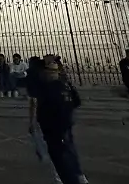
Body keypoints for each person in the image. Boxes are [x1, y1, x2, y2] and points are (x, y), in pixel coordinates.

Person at [28, 54, 86, 184]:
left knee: (60, 155)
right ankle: (77, 175)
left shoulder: (48, 86)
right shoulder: (62, 83)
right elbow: (76, 102)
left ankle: (69, 177)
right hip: (63, 124)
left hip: (54, 127)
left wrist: (34, 121)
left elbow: (35, 102)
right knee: (69, 150)